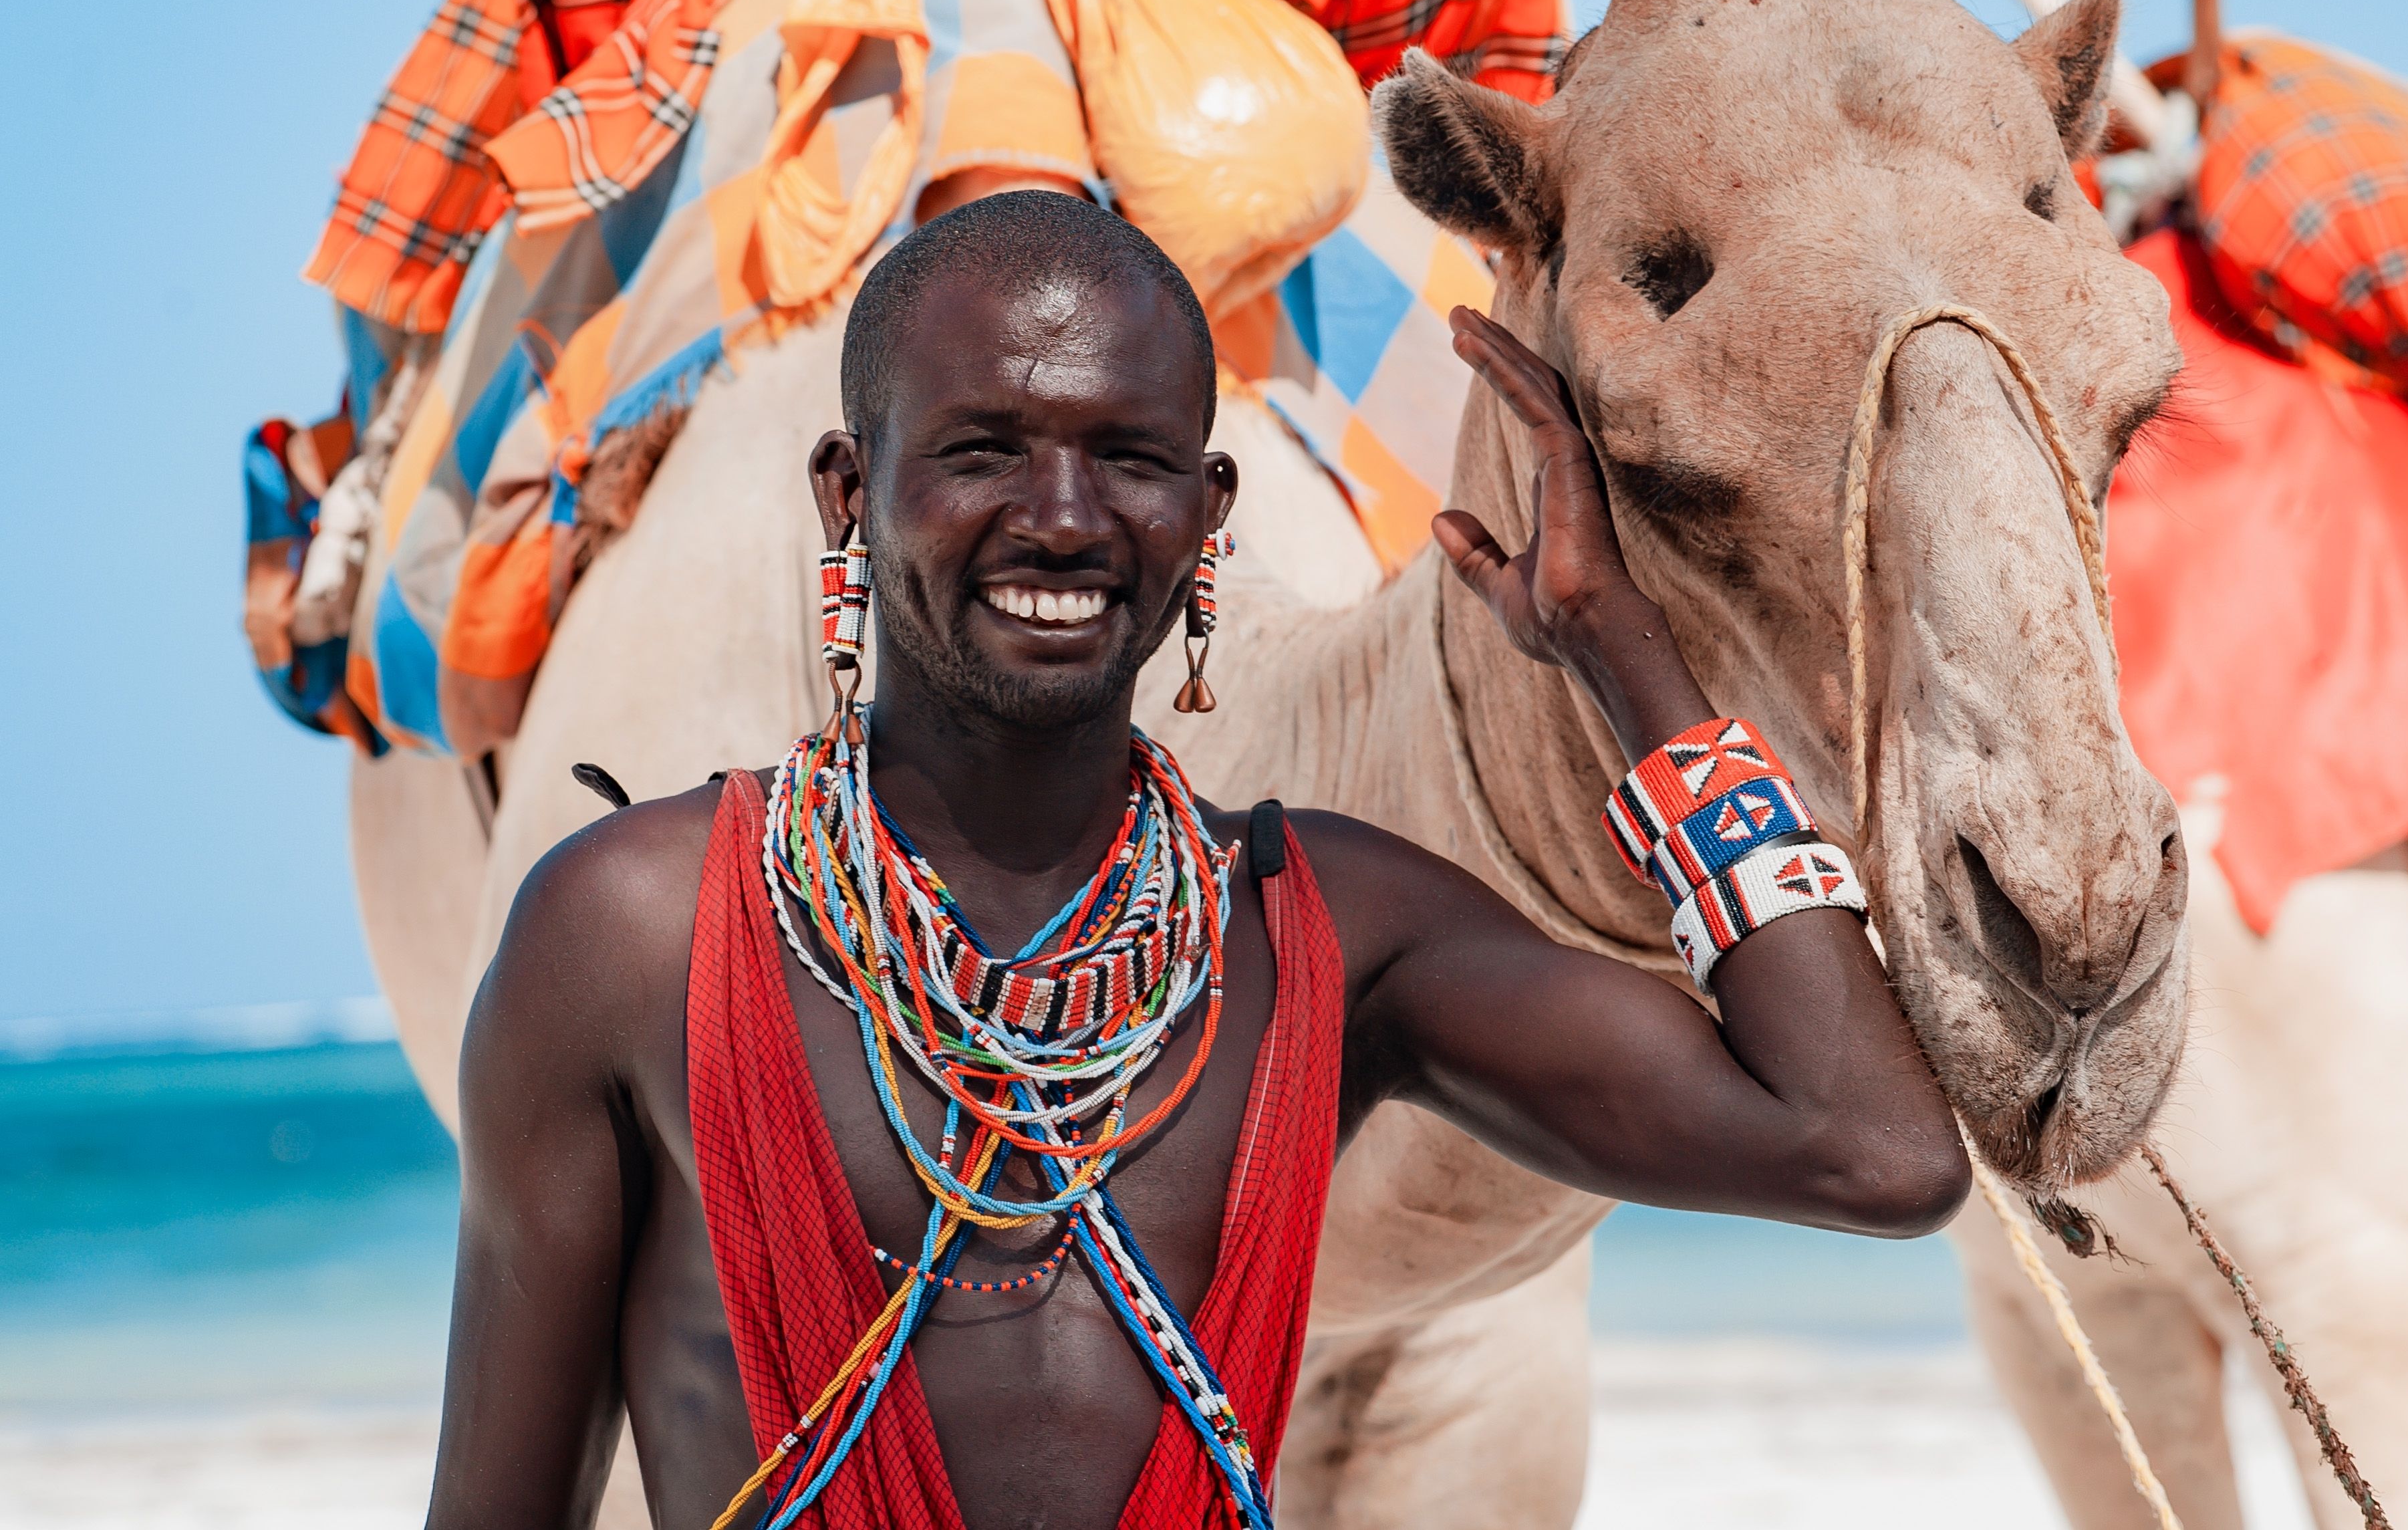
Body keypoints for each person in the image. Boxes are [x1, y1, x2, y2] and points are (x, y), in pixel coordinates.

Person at [427, 191, 1968, 1530]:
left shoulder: (1320, 929)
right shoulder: (631, 936)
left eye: (1131, 459)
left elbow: (1873, 1148)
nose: (1063, 517)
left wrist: (1631, 661)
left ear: (1206, 511)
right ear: (850, 489)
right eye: (983, 450)